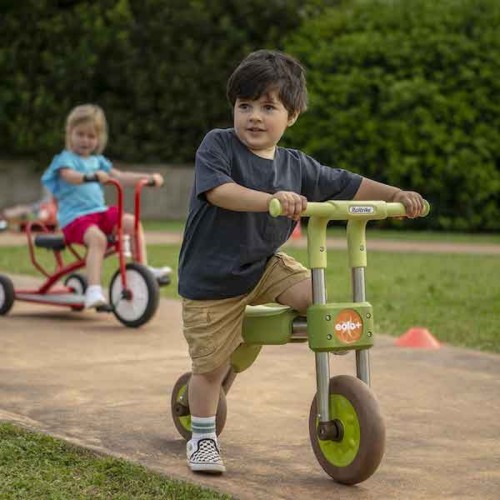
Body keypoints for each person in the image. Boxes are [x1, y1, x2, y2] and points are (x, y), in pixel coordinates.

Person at [177, 49, 425, 474]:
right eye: (245, 105)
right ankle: (202, 436)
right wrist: (272, 200)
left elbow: (347, 183)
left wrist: (395, 195)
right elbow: (221, 192)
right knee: (211, 369)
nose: (254, 116)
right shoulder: (218, 145)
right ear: (234, 108)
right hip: (212, 278)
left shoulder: (296, 166)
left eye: (268, 106)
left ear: (291, 116)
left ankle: (270, 350)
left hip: (263, 265)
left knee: (318, 297)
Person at [42, 104, 171, 309]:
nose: (85, 140)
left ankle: (142, 269)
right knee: (98, 239)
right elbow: (69, 176)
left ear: (99, 139)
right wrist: (87, 176)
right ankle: (93, 289)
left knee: (132, 223)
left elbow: (120, 176)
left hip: (98, 213)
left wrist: (147, 177)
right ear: (70, 134)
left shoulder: (98, 161)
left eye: (91, 136)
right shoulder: (65, 160)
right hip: (75, 219)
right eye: (80, 134)